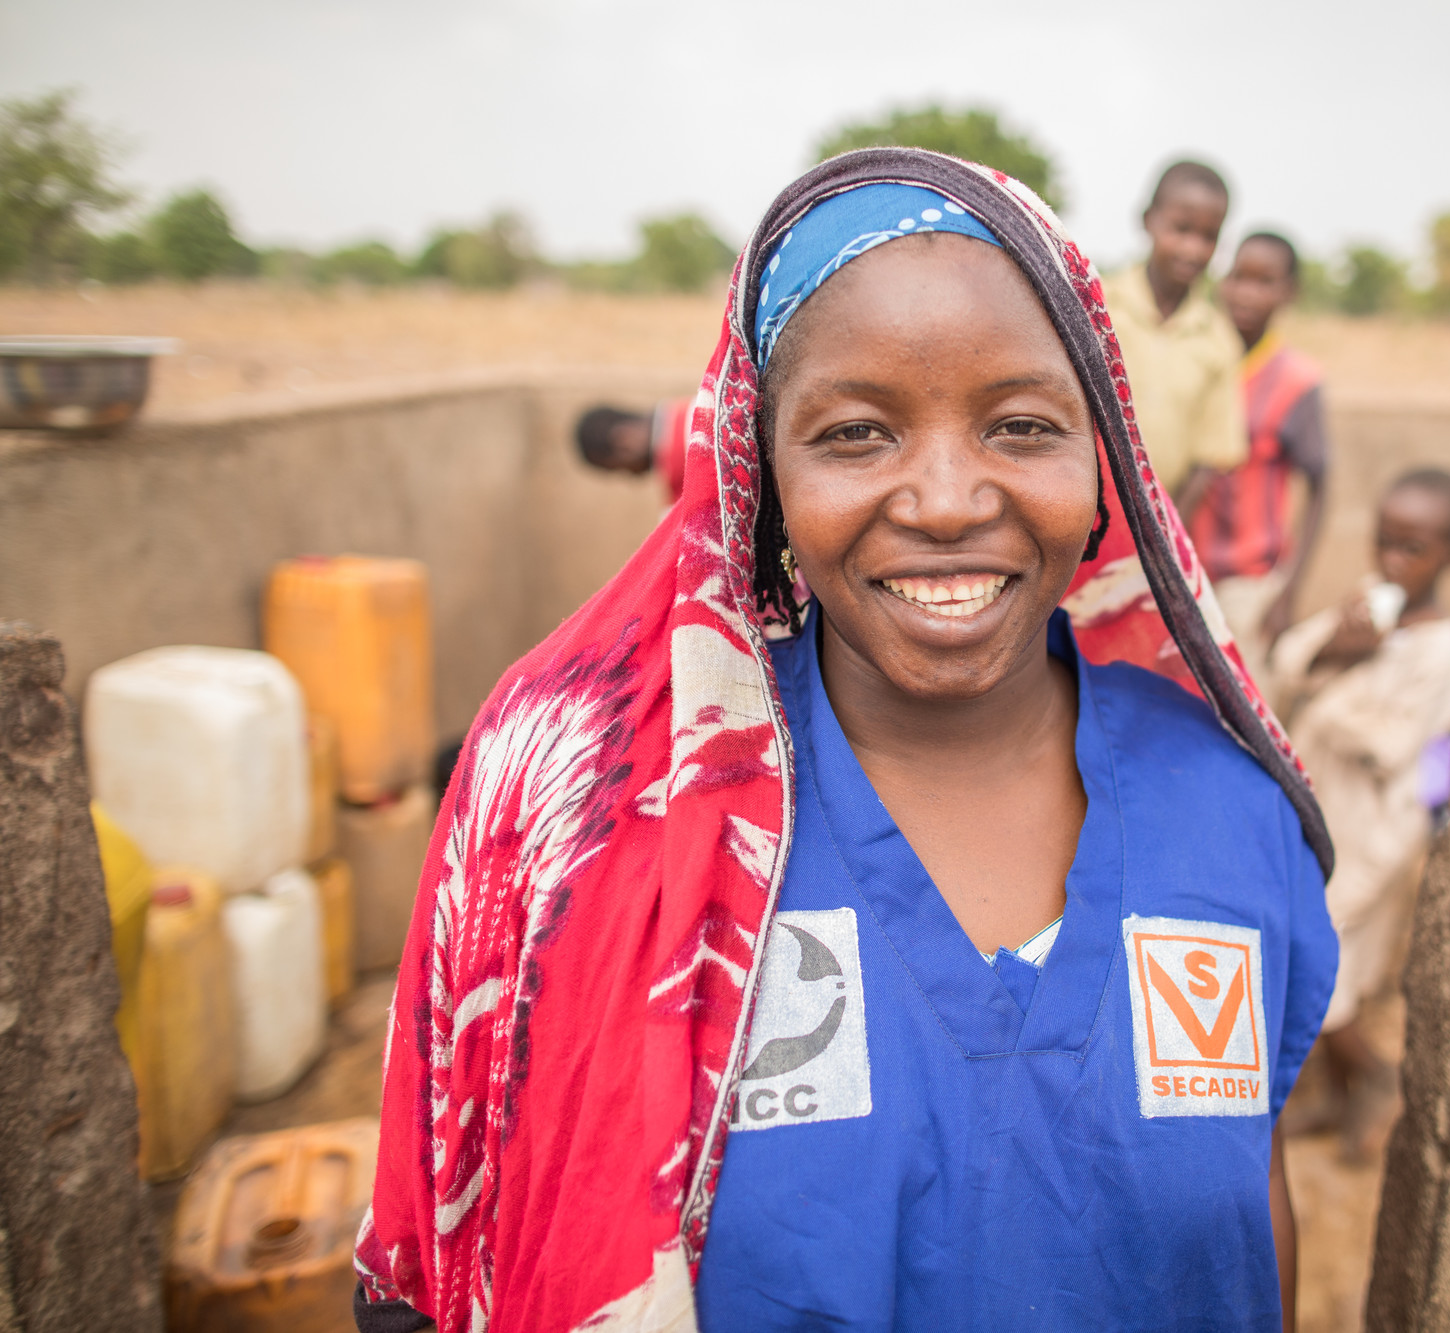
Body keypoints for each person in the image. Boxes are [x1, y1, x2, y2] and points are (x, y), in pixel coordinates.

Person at [356, 149, 1337, 1333]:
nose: (944, 500)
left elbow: (1248, 1226)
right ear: (760, 477)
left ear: (1106, 470)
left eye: (1022, 425)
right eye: (857, 433)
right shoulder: (615, 836)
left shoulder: (1229, 814)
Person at [1267, 467, 1450, 1159]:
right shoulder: (1367, 611)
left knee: (1330, 979)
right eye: (1384, 542)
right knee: (1319, 971)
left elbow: (1388, 742)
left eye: (1412, 548)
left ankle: (1375, 1077)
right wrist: (1333, 648)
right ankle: (1327, 1095)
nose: (1392, 561)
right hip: (1320, 820)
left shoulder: (1440, 652)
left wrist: (1340, 679)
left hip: (1370, 838)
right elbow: (1290, 659)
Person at [1194, 231, 1329, 682]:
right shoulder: (1199, 358)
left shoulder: (1296, 382)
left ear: (1287, 292)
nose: (1246, 293)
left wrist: (1289, 590)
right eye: (1238, 277)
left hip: (1249, 583)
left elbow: (1322, 487)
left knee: (1238, 701)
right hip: (1184, 567)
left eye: (1264, 281)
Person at [1101, 161, 1247, 521]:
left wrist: (1164, 532)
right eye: (1181, 229)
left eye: (1208, 236)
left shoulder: (1218, 339)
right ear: (1148, 220)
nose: (1193, 249)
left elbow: (1208, 459)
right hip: (1083, 509)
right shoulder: (1097, 306)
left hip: (1158, 520)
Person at [574, 397, 695, 506]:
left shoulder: (683, 504)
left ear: (624, 441)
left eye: (620, 469)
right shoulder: (704, 397)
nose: (631, 476)